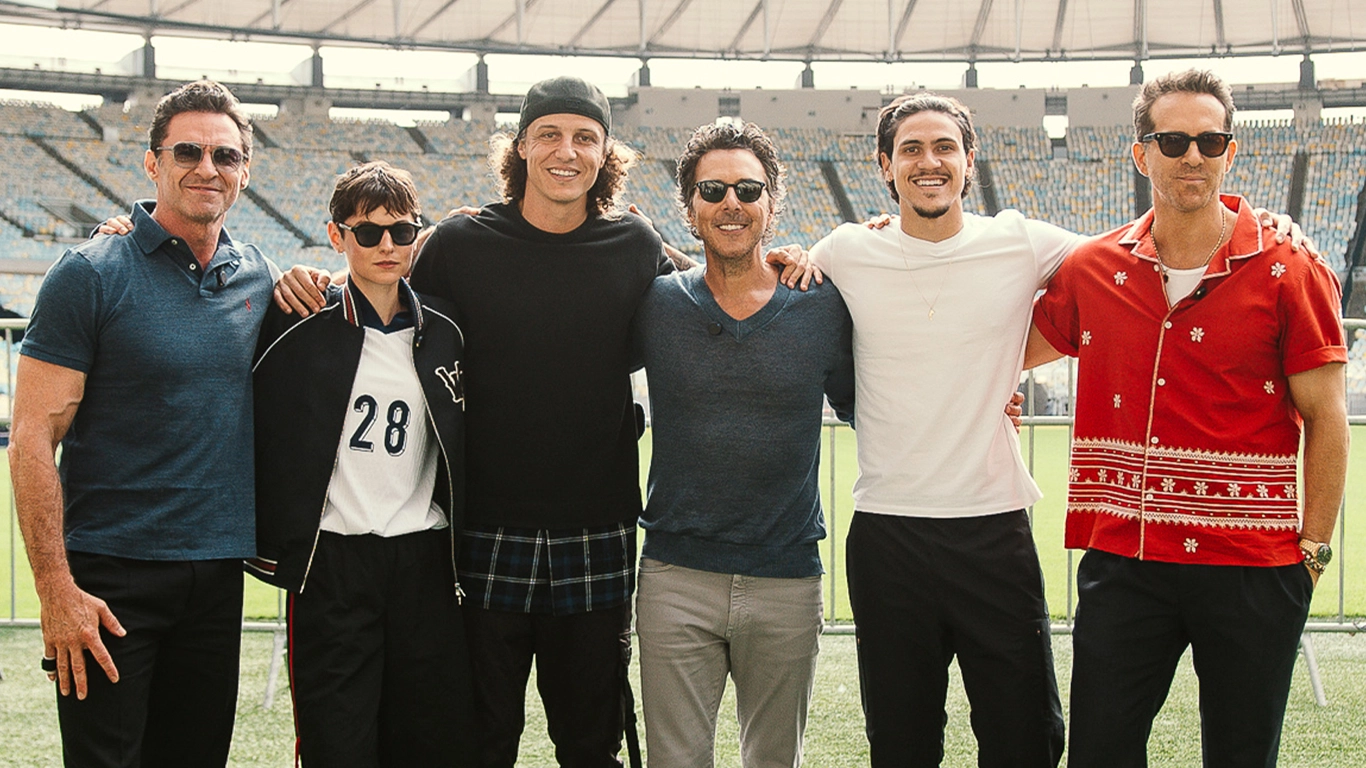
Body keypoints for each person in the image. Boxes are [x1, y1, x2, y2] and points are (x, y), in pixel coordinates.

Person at [806, 92, 1309, 768]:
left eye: (944, 147)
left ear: (969, 161)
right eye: (911, 150)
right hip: (885, 531)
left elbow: (1138, 253)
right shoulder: (842, 249)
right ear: (884, 166)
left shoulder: (1021, 241)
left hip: (992, 528)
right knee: (900, 740)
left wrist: (1265, 224)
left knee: (1027, 738)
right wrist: (786, 251)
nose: (930, 162)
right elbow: (772, 271)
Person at [1026, 69, 1348, 767]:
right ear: (1141, 154)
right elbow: (1000, 350)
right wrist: (900, 238)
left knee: (1240, 755)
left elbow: (1327, 417)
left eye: (1210, 140)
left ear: (1231, 152)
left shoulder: (1291, 268)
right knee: (1100, 755)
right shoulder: (1092, 267)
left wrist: (1312, 557)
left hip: (1252, 568)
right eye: (1172, 140)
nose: (1192, 156)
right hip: (1125, 561)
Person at [10, 80, 277, 767]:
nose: (206, 168)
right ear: (152, 163)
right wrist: (56, 592)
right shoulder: (90, 274)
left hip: (218, 576)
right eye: (187, 151)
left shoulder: (259, 276)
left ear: (245, 172)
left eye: (225, 155)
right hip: (109, 579)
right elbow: (33, 434)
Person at [631, 121, 855, 768]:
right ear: (692, 208)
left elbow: (875, 406)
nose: (732, 202)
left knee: (774, 760)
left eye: (748, 189)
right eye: (714, 189)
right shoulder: (654, 303)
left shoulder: (823, 305)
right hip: (675, 577)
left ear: (772, 203)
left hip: (785, 580)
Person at [247, 161, 476, 766]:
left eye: (401, 232)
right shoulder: (297, 320)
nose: (385, 246)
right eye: (367, 231)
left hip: (423, 559)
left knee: (426, 739)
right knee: (336, 741)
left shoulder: (448, 329)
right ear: (335, 236)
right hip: (332, 562)